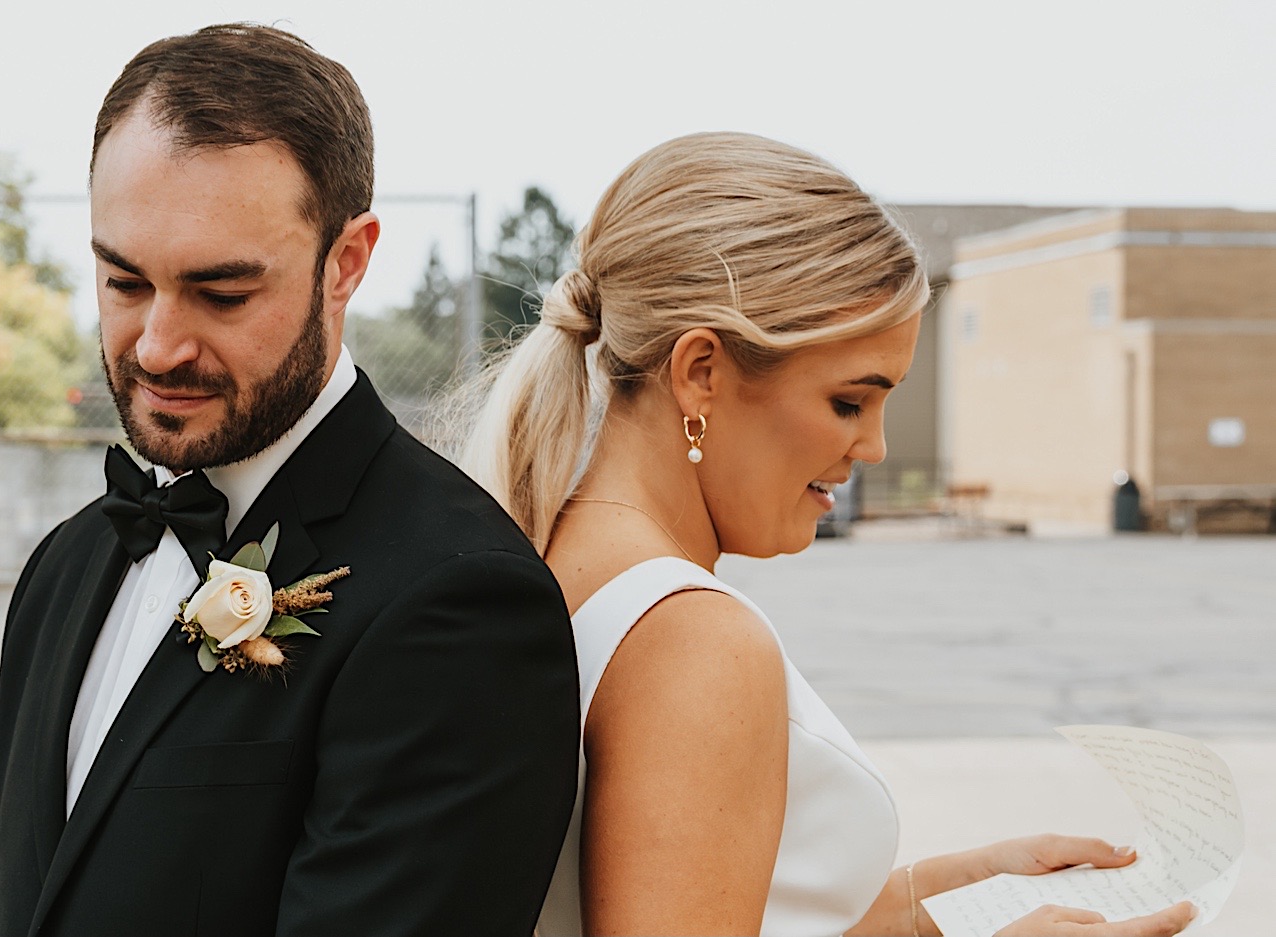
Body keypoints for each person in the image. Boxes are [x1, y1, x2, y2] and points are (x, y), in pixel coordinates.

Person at [0, 24, 579, 937]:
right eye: (123, 281)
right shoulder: (66, 564)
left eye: (221, 293)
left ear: (345, 264)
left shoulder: (457, 601)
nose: (157, 345)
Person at [456, 132, 1197, 937]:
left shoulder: (552, 548)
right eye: (849, 401)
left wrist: (935, 899)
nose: (873, 445)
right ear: (700, 371)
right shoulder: (692, 635)